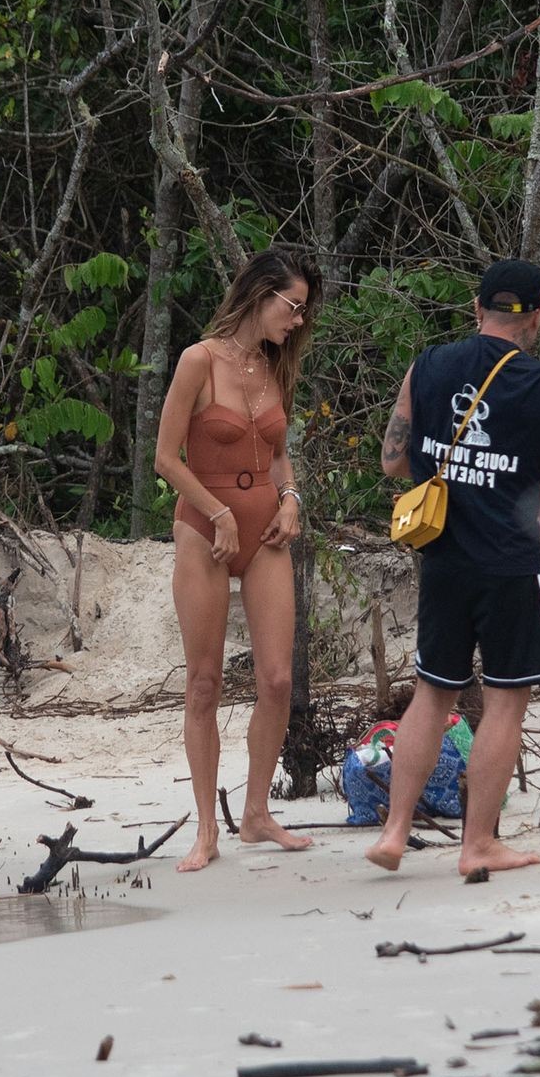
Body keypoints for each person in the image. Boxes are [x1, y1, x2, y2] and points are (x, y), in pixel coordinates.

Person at [366, 258, 540, 876]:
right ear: (538, 315)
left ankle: (394, 831)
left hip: (442, 558)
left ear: (477, 307)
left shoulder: (428, 366)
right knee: (504, 705)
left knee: (432, 696)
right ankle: (478, 844)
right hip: (509, 564)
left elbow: (392, 459)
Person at [155, 247, 322, 872]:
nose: (298, 321)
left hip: (264, 535)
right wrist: (217, 513)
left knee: (277, 679)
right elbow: (166, 458)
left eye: (304, 311)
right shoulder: (199, 360)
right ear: (260, 294)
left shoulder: (275, 367)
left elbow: (279, 455)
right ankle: (206, 829)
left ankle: (256, 814)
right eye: (293, 307)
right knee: (205, 683)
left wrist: (291, 499)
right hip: (204, 529)